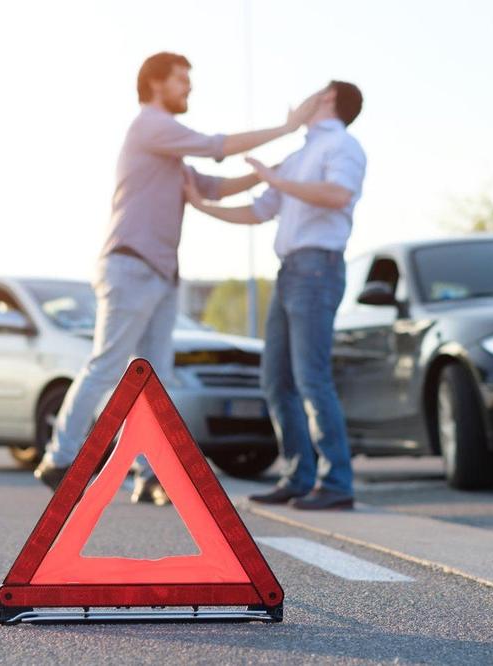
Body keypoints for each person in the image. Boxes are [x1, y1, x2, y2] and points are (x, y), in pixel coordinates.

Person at [34, 52, 320, 503]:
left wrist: (276, 171)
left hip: (162, 274)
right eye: (181, 80)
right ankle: (60, 456)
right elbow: (217, 144)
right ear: (155, 84)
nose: (189, 87)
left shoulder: (169, 152)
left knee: (153, 378)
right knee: (108, 365)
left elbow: (214, 187)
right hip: (130, 266)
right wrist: (284, 129)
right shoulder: (151, 125)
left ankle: (148, 474)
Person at [184, 81, 366, 510]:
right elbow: (259, 211)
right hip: (290, 272)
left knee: (311, 378)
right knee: (276, 381)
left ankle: (336, 481)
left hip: (318, 267)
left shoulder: (343, 145)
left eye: (313, 92)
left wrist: (273, 177)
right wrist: (201, 206)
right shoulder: (300, 155)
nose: (300, 98)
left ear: (326, 100)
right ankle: (299, 476)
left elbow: (338, 195)